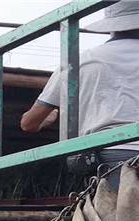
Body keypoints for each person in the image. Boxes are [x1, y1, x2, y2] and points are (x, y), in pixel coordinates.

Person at [20, 0, 139, 189]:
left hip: (107, 159)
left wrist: (47, 120)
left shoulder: (79, 61)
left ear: (111, 25)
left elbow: (28, 123)